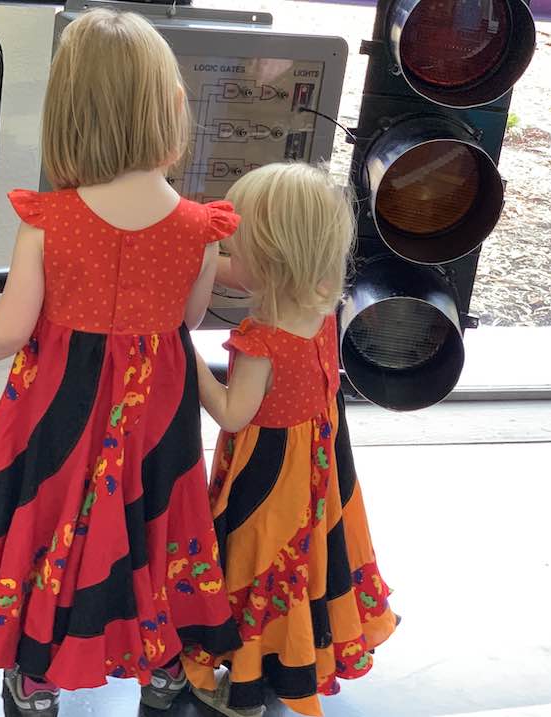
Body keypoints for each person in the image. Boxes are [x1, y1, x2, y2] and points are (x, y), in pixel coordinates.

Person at [0, 9, 242, 716]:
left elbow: (12, 326)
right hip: (156, 414)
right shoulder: (199, 227)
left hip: (57, 409)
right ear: (173, 109)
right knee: (158, 523)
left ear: (69, 116)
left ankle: (34, 674)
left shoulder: (49, 220)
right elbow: (188, 321)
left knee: (48, 519)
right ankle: (162, 666)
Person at [184, 163, 399, 716]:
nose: (232, 254)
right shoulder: (319, 300)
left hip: (268, 477)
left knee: (258, 565)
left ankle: (248, 687)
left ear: (273, 261)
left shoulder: (261, 341)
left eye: (240, 246)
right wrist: (202, 256)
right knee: (298, 567)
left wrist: (181, 351)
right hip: (315, 466)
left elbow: (232, 414)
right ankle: (291, 658)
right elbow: (250, 274)